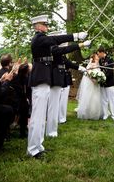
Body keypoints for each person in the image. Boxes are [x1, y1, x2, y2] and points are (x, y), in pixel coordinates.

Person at [27, 14, 91, 159]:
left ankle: (38, 146)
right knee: (38, 116)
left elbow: (58, 49)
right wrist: (76, 36)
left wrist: (78, 42)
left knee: (41, 114)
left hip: (44, 78)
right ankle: (33, 149)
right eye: (45, 24)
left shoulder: (44, 40)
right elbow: (56, 41)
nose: (47, 27)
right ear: (37, 26)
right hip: (40, 79)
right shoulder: (39, 38)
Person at [45, 31, 86, 138]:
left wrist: (79, 68)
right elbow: (65, 50)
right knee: (53, 105)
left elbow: (67, 63)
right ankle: (51, 130)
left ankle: (53, 129)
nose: (64, 42)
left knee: (55, 104)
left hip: (59, 78)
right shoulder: (53, 48)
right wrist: (80, 44)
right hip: (54, 78)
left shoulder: (58, 51)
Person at [77, 53, 103, 120]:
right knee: (89, 96)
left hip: (96, 83)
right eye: (97, 56)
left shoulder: (98, 63)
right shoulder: (91, 63)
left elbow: (99, 72)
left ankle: (94, 113)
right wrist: (92, 79)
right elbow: (87, 71)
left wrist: (98, 79)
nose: (98, 56)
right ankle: (86, 113)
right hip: (90, 82)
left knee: (95, 97)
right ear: (94, 57)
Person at [97, 46, 114, 120]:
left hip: (110, 82)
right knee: (103, 99)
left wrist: (104, 77)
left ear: (102, 52)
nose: (98, 55)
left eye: (99, 54)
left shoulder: (110, 59)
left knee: (111, 99)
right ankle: (105, 114)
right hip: (102, 83)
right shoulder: (100, 60)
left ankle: (113, 115)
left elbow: (110, 71)